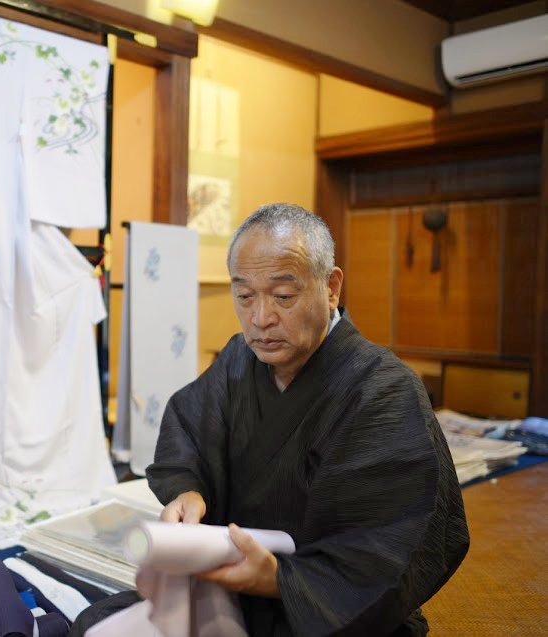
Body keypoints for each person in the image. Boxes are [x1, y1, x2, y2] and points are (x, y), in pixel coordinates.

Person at [71, 203, 468, 637]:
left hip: (326, 608)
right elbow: (188, 428)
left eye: (283, 296)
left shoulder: (382, 391)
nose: (261, 319)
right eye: (245, 297)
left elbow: (391, 549)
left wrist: (277, 579)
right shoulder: (239, 359)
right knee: (94, 625)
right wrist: (188, 491)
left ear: (331, 288)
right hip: (230, 589)